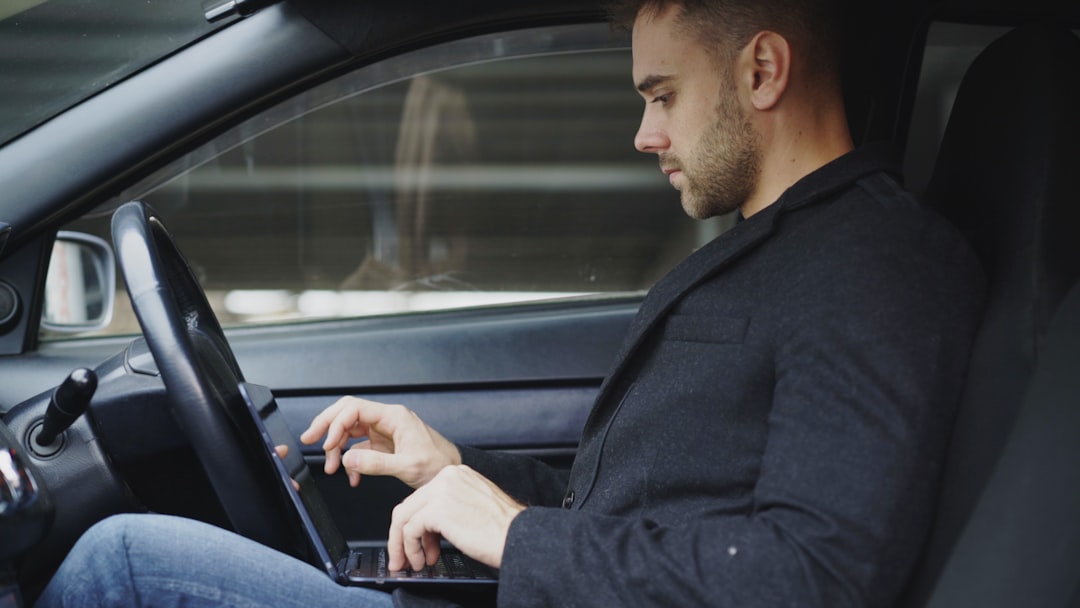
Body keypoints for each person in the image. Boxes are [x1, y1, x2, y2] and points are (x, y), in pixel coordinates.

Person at [35, 0, 984, 606]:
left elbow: (814, 575)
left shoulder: (873, 262)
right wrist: (456, 469)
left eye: (662, 95)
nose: (645, 133)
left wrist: (516, 534)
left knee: (124, 568)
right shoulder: (772, 245)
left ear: (762, 71)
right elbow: (635, 503)